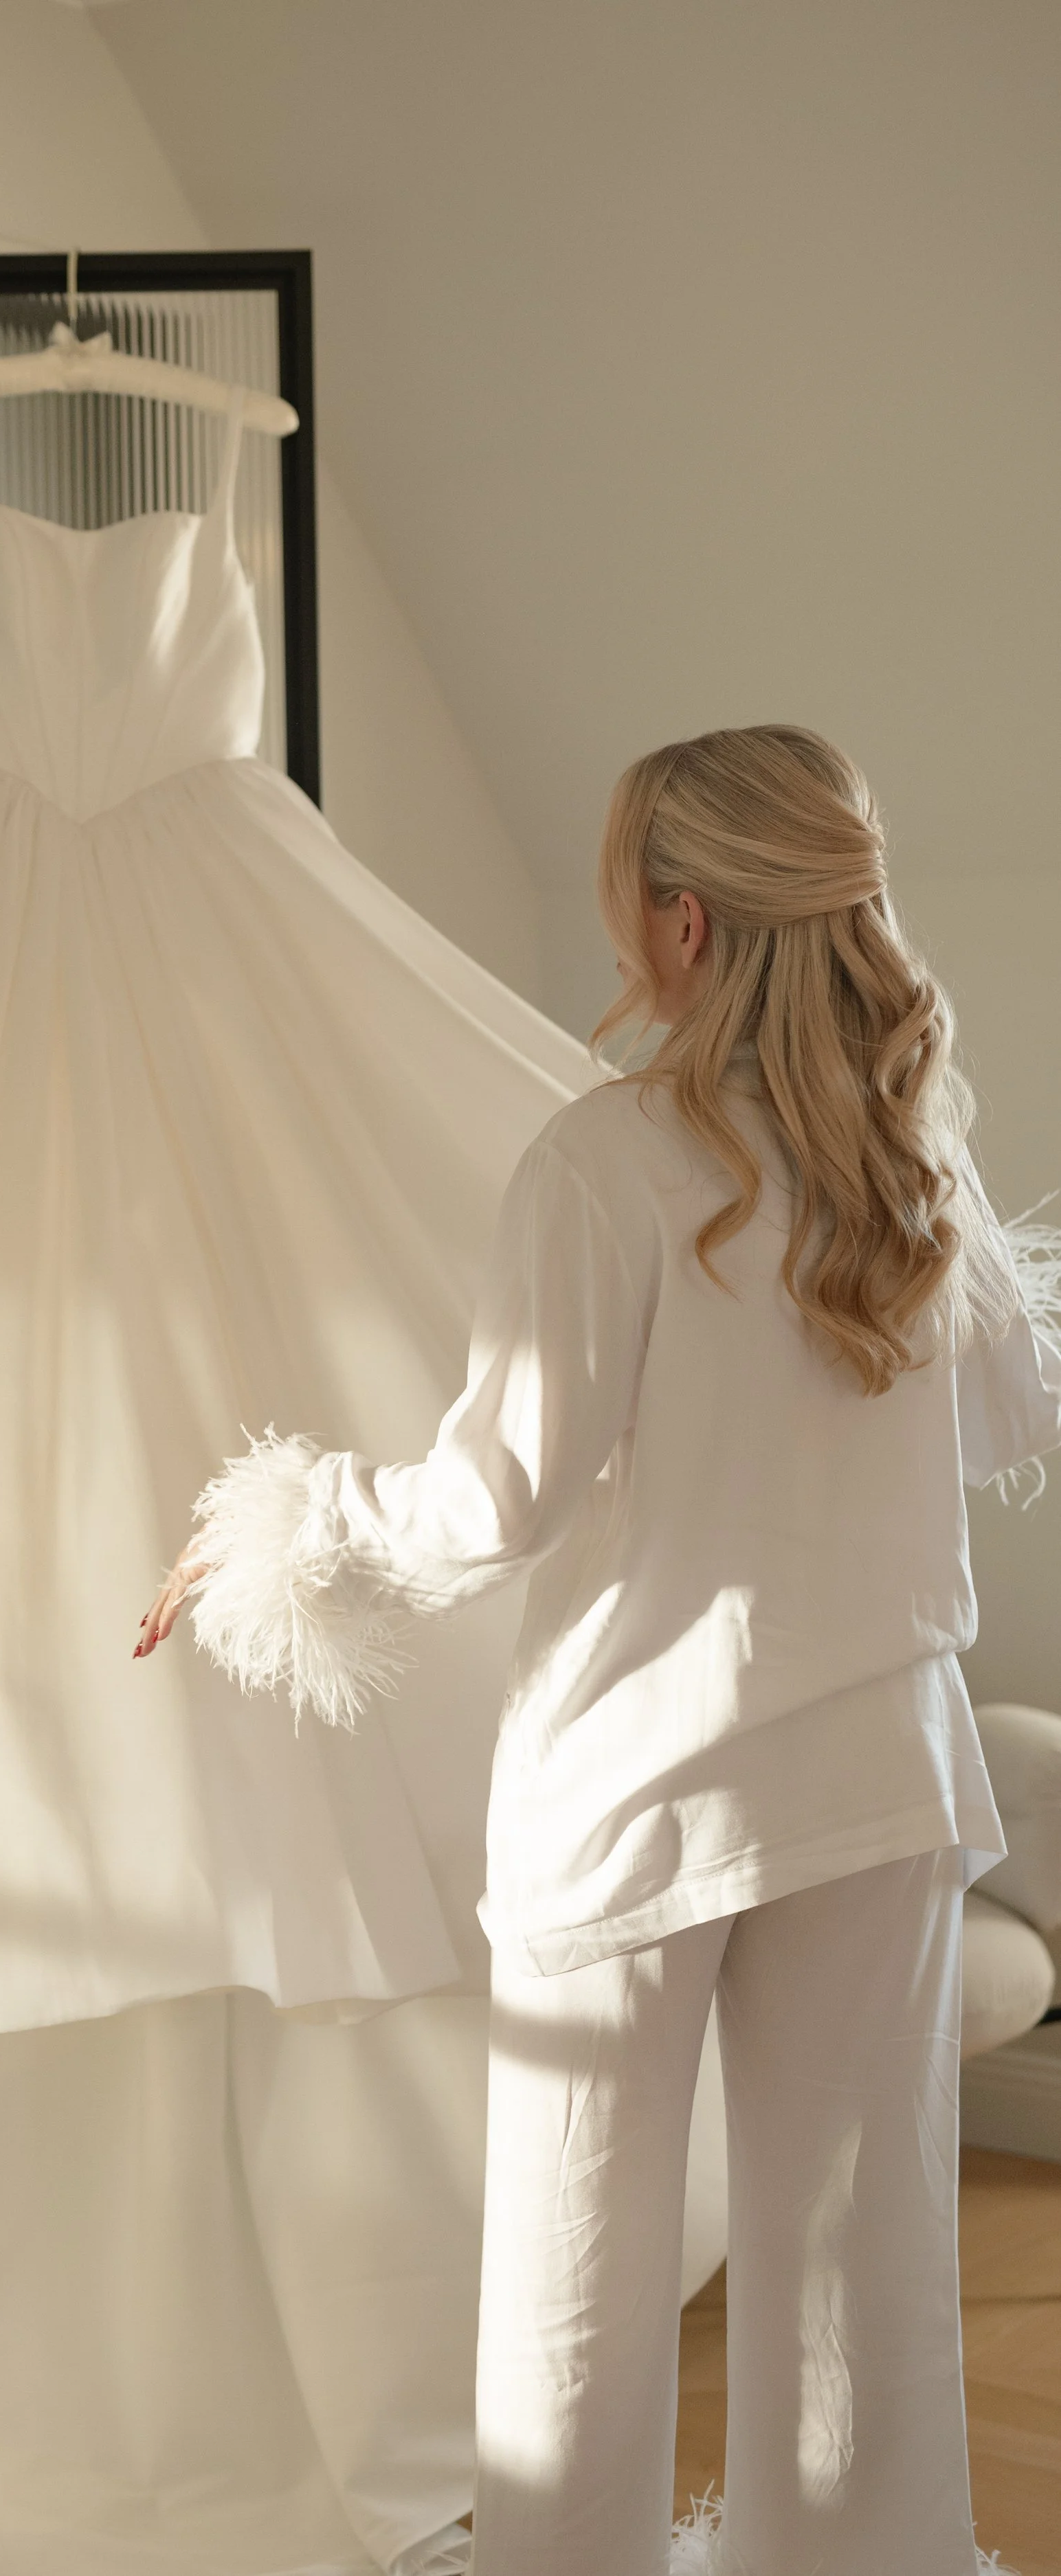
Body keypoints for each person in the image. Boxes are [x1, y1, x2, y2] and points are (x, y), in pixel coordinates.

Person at [139, 723, 1061, 2576]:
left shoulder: (604, 1162)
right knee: (860, 2269)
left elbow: (492, 1499)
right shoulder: (917, 1168)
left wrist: (280, 1525)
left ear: (685, 920)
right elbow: (1000, 1422)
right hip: (878, 1772)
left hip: (641, 1788)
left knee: (575, 2282)